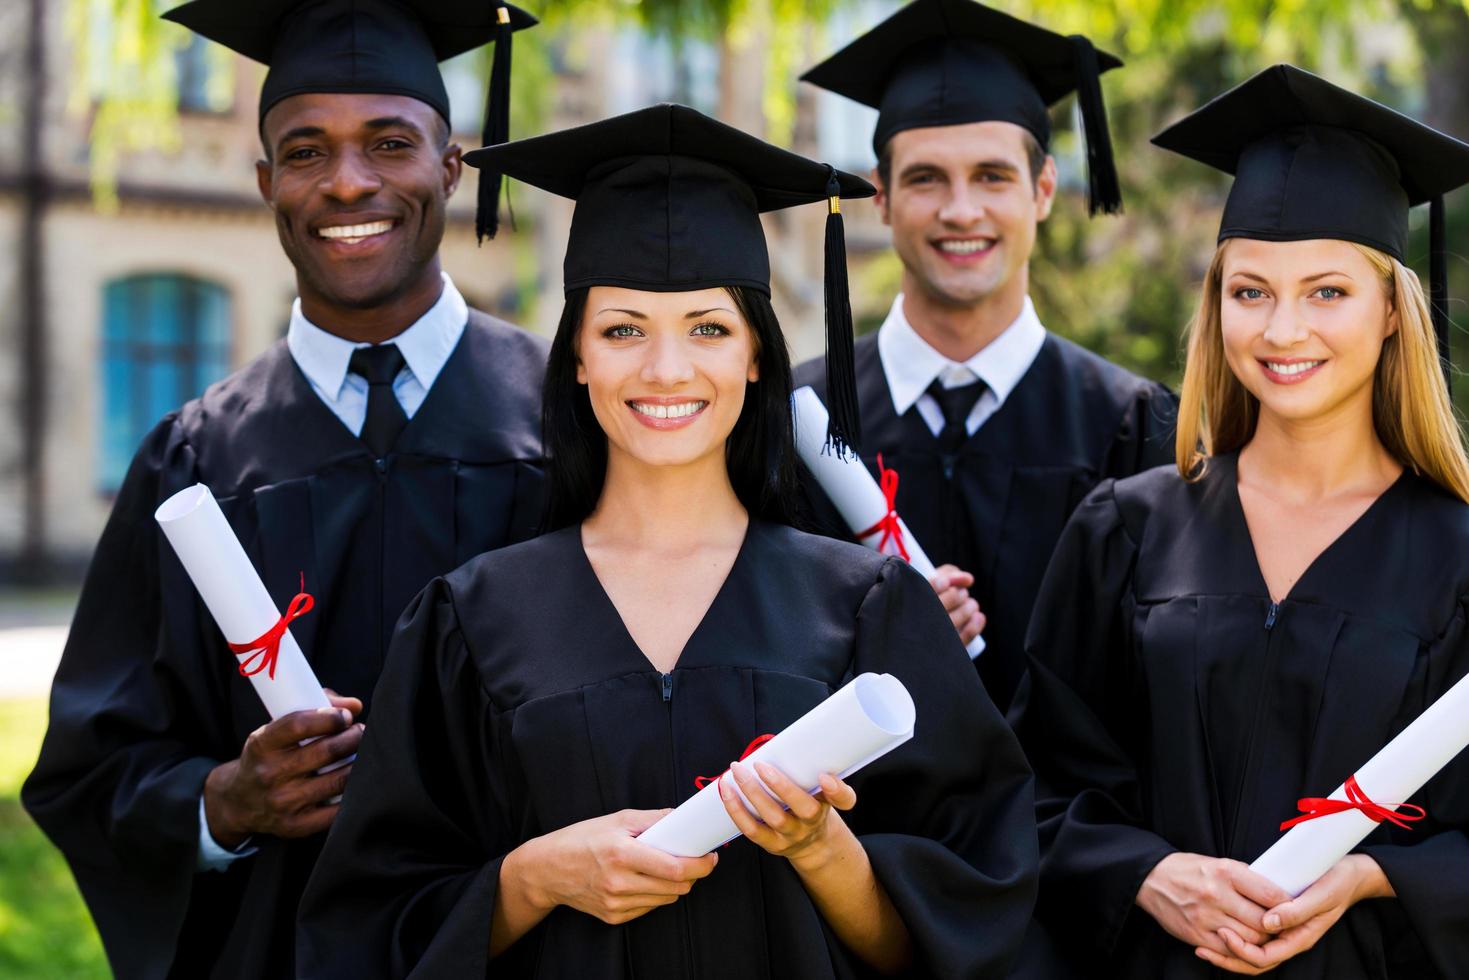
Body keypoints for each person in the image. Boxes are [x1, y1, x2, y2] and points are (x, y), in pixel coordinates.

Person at [296, 103, 1038, 979]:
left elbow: (962, 937)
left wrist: (818, 846)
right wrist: (535, 878)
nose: (665, 371)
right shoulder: (472, 620)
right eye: (621, 331)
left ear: (757, 356)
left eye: (708, 329)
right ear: (575, 354)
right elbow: (367, 927)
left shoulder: (865, 607)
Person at [21, 2, 544, 977]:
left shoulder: (571, 426)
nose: (348, 180)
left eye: (389, 143)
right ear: (265, 180)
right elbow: (92, 770)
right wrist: (223, 801)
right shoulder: (195, 459)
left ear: (449, 166)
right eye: (306, 151)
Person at [1013, 64, 1469, 977]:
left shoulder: (1456, 554)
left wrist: (1374, 878)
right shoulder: (1126, 532)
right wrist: (1146, 871)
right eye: (1249, 290)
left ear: (1391, 312)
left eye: (1327, 292)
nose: (1281, 329)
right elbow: (1027, 791)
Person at [794, 0, 1177, 713]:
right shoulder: (800, 423)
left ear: (1042, 190)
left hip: (1074, 821)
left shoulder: (1129, 425)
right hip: (849, 820)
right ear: (879, 197)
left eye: (992, 177)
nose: (960, 210)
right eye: (925, 178)